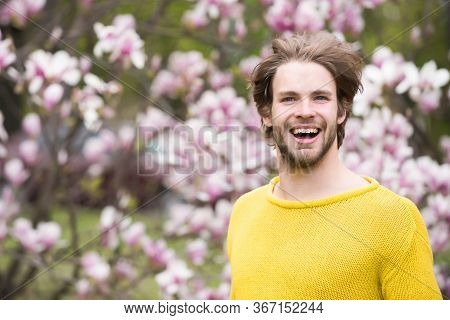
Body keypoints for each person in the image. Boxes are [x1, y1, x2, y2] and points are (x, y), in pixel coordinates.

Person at [226, 32, 443, 300]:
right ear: (266, 113)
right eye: (289, 98)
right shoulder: (244, 212)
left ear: (341, 111)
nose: (305, 111)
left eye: (320, 97)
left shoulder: (394, 219)